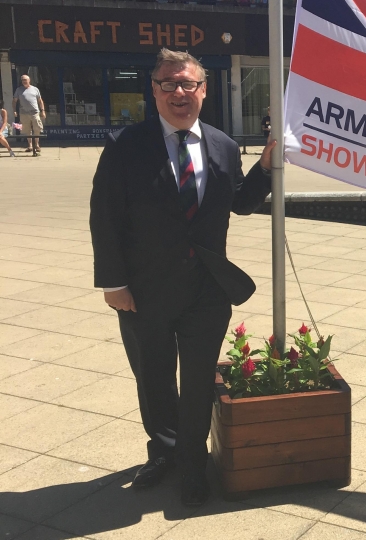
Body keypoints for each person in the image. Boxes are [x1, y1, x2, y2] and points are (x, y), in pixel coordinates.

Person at [89, 48, 277, 507]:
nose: (179, 92)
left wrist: (267, 167)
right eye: (169, 83)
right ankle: (165, 451)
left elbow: (240, 201)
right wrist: (114, 284)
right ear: (154, 91)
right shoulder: (125, 145)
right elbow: (105, 217)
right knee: (153, 379)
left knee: (197, 382)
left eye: (188, 83)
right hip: (143, 291)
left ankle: (192, 464)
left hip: (207, 292)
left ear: (204, 90)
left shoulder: (224, 146)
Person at [12, 75, 46, 156]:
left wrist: (42, 111)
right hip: (24, 113)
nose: (24, 81)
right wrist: (14, 111)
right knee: (27, 130)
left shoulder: (35, 89)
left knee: (37, 129)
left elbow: (40, 100)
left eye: (25, 80)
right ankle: (30, 145)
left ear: (29, 80)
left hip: (35, 113)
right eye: (22, 80)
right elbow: (14, 101)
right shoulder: (19, 90)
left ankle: (37, 145)